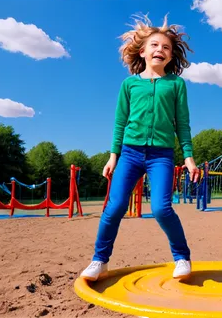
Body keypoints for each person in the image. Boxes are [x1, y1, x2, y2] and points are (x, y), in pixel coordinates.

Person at [80, 14, 199, 281]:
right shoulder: (129, 84)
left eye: (166, 47)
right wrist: (113, 157)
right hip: (131, 153)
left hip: (161, 156)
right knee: (115, 205)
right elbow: (120, 122)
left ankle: (181, 257)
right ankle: (100, 261)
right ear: (143, 51)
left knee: (161, 208)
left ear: (171, 56)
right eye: (155, 45)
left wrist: (189, 157)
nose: (161, 50)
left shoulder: (176, 84)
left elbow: (183, 124)